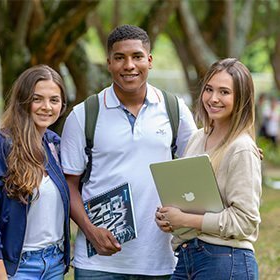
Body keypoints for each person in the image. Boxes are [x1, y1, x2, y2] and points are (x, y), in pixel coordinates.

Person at [61, 24, 197, 279]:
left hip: (160, 259)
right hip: (98, 263)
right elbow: (69, 185)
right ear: (109, 63)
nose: (129, 65)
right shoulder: (84, 115)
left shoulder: (174, 109)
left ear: (150, 60)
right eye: (120, 58)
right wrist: (91, 232)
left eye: (136, 56)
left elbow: (198, 166)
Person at [155, 58, 261, 279]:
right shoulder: (197, 138)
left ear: (241, 99)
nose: (213, 99)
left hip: (225, 259)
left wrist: (184, 219)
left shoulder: (241, 148)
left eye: (224, 92)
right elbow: (191, 199)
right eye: (209, 90)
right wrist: (169, 216)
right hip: (187, 257)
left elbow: (246, 221)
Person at [0, 64, 71, 279]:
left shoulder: (55, 144)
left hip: (54, 263)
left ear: (62, 105)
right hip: (17, 267)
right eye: (37, 99)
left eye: (54, 100)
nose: (46, 106)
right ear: (23, 101)